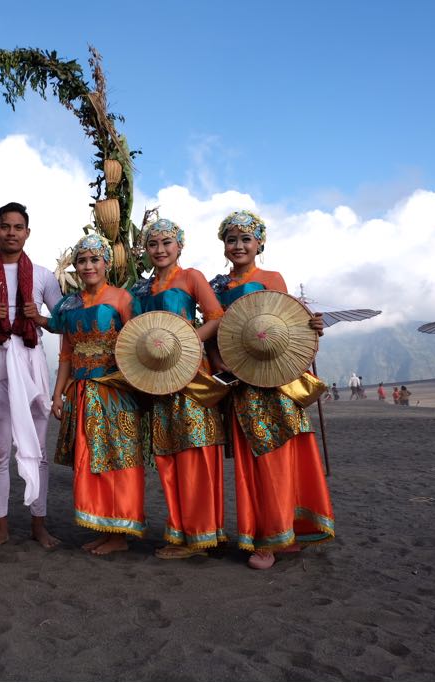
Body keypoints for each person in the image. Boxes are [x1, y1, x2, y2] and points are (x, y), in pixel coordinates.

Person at [208, 210, 334, 570]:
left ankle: (280, 535)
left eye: (246, 239)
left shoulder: (272, 277)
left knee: (280, 458)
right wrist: (218, 363)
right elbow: (214, 333)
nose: (239, 245)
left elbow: (288, 323)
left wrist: (313, 326)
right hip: (241, 385)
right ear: (224, 246)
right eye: (231, 239)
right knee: (254, 462)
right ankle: (266, 536)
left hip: (276, 381)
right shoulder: (218, 288)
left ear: (260, 243)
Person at [0, 202, 63, 549]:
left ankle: (38, 523)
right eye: (5, 227)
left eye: (18, 227)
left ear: (27, 233)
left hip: (32, 361)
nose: (12, 233)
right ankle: (1, 524)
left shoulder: (45, 276)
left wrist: (41, 317)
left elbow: (64, 321)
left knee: (39, 452)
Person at [129, 217, 226, 559]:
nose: (160, 250)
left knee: (195, 448)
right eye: (153, 244)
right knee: (168, 453)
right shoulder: (140, 290)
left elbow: (216, 317)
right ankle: (179, 532)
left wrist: (186, 342)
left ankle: (202, 534)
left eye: (166, 243)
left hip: (190, 374)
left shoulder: (191, 277)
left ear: (179, 246)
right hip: (156, 377)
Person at [51, 234, 145, 556]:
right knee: (92, 461)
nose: (88, 266)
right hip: (81, 392)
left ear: (106, 263)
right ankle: (106, 530)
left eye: (95, 259)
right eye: (82, 260)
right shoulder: (71, 305)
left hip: (115, 391)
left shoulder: (123, 299)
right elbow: (66, 354)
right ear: (75, 266)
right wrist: (57, 395)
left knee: (118, 459)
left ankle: (120, 534)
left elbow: (137, 344)